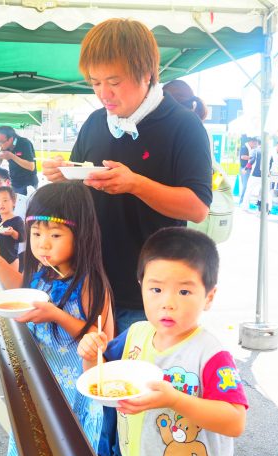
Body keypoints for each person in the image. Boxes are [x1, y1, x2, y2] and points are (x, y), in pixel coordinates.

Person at [42, 18, 212, 335]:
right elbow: (80, 188)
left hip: (147, 295)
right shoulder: (95, 122)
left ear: (146, 73)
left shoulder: (183, 126)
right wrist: (64, 176)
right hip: (91, 286)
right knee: (91, 379)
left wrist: (135, 184)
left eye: (114, 81)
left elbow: (197, 207)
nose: (103, 93)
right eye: (94, 83)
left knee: (136, 382)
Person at [78, 227, 248, 456]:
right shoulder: (136, 334)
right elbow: (101, 377)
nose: (167, 303)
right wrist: (91, 354)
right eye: (156, 290)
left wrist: (175, 400)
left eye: (184, 292)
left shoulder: (211, 354)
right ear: (141, 286)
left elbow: (235, 421)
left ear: (209, 297)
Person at [0, 181, 115, 456]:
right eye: (36, 234)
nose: (43, 244)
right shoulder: (42, 271)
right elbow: (21, 291)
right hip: (42, 381)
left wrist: (57, 315)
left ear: (81, 236)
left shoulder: (89, 281)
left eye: (54, 235)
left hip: (74, 391)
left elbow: (104, 336)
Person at [0, 126, 38, 195]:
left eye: (2, 142)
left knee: (26, 204)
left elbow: (31, 166)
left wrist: (12, 156)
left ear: (11, 139)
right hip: (14, 182)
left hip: (28, 183)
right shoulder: (5, 146)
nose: (0, 144)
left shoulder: (24, 143)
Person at [238, 137, 258, 205]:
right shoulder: (244, 147)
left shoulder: (251, 148)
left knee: (246, 185)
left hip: (248, 168)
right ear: (251, 142)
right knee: (245, 186)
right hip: (244, 168)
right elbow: (243, 157)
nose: (255, 145)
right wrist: (252, 157)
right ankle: (241, 201)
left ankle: (243, 201)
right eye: (254, 143)